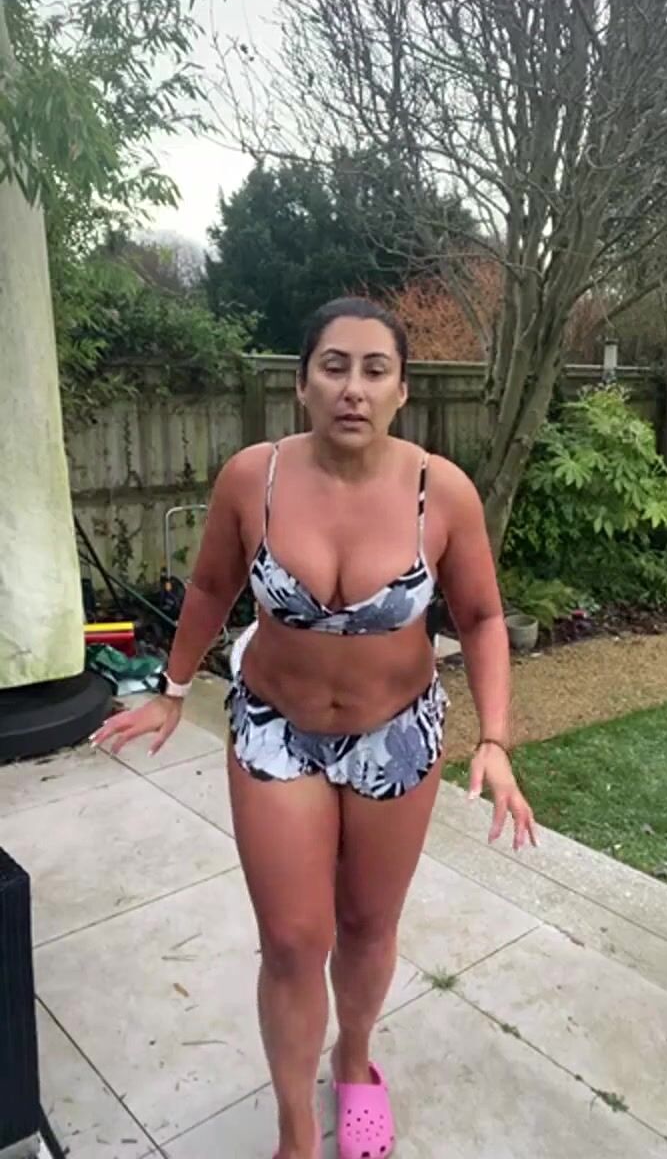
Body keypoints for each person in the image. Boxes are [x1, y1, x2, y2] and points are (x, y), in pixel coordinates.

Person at [91, 297, 537, 1159]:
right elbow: (211, 587)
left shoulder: (440, 490)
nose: (353, 388)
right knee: (294, 943)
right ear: (302, 384)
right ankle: (295, 1126)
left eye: (375, 370)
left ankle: (355, 1058)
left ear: (403, 390)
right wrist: (173, 689)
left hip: (396, 734)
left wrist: (494, 739)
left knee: (367, 927)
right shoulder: (251, 478)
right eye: (334, 367)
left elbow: (483, 617)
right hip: (276, 730)